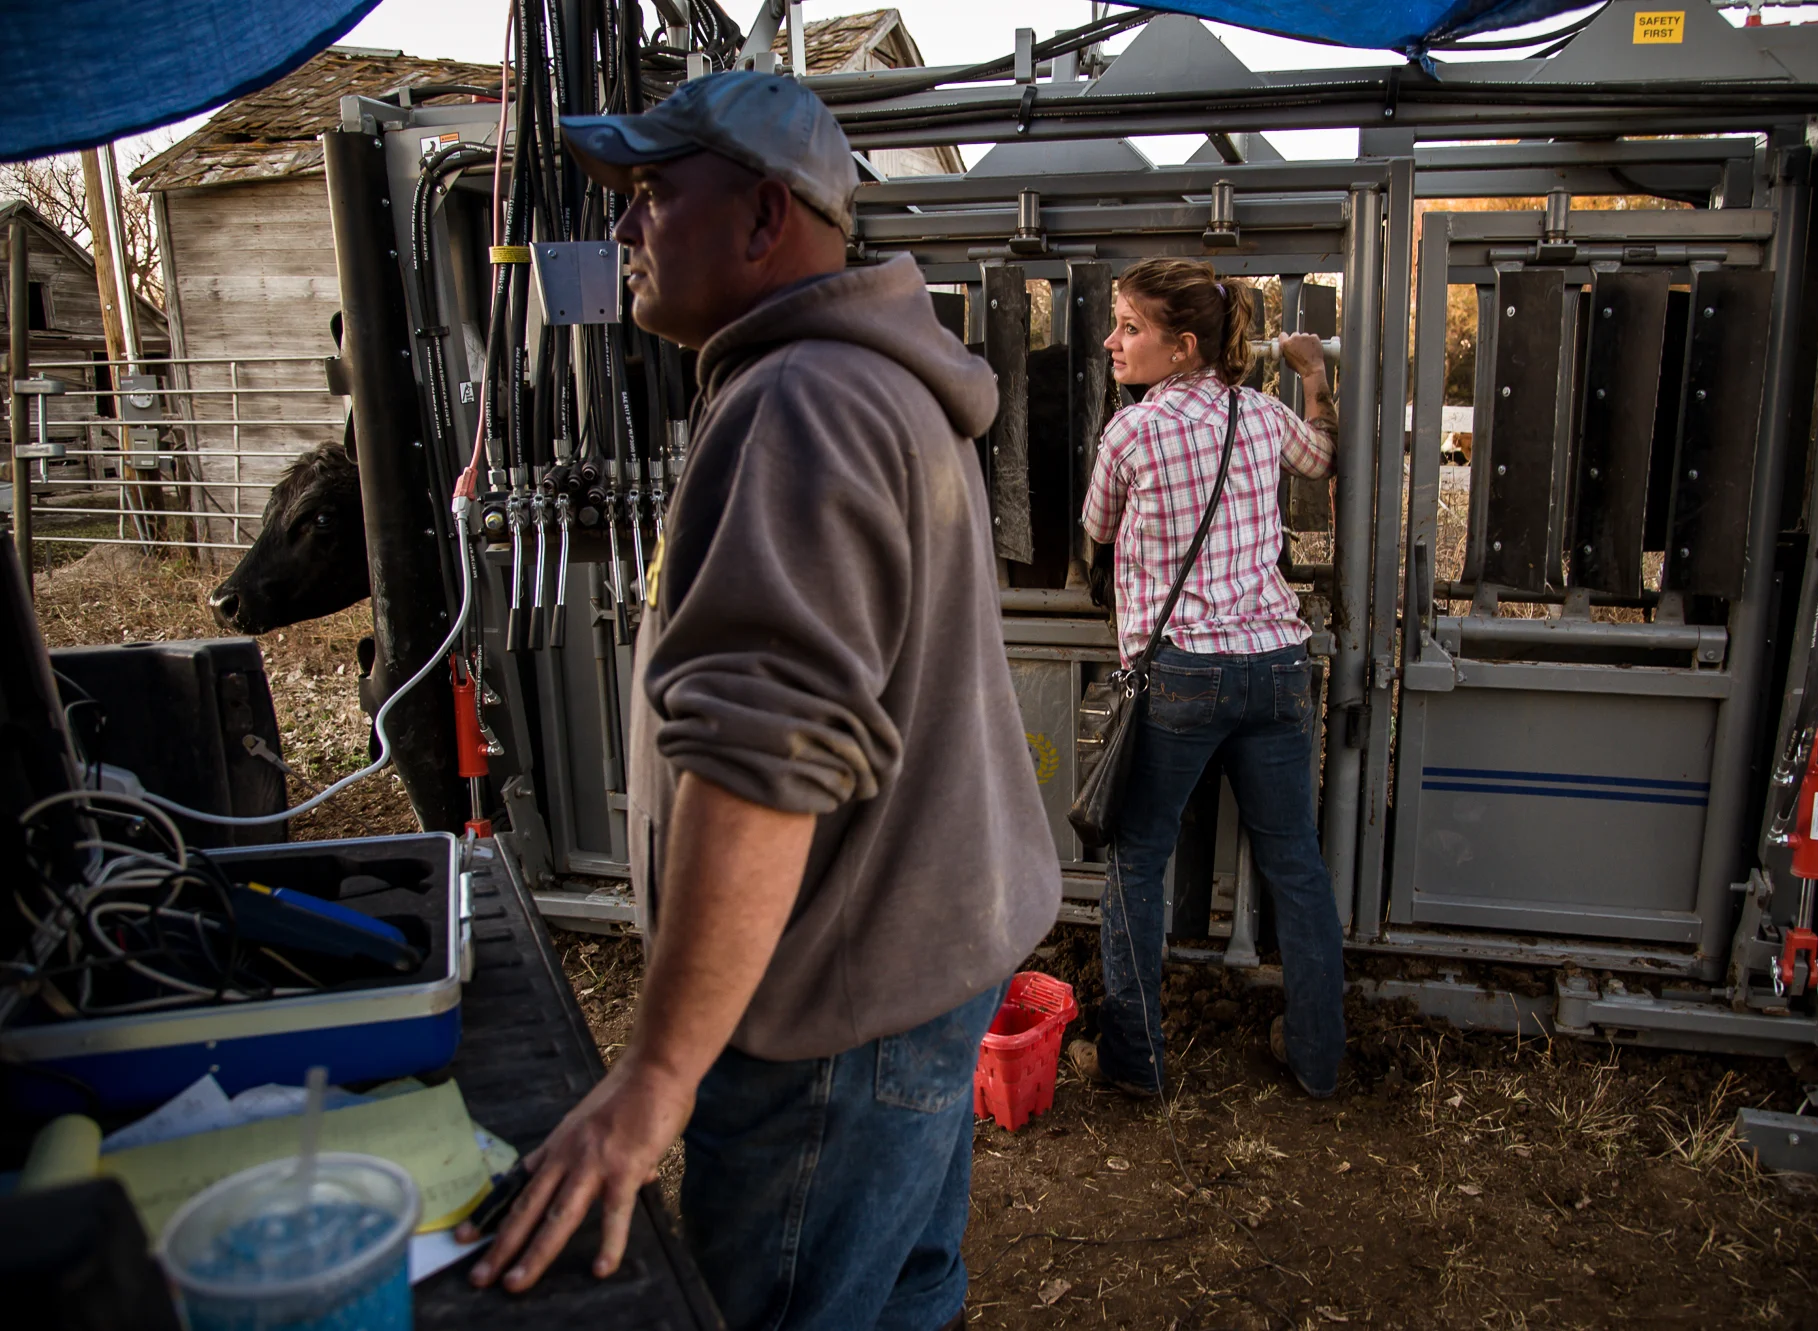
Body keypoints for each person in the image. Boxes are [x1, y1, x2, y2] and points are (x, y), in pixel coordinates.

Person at [462, 71, 1061, 1328]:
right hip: (923, 966)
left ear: (759, 216)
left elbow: (763, 765)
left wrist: (658, 1073)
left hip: (830, 1014)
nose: (625, 230)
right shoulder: (886, 385)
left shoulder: (801, 401)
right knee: (904, 1287)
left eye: (649, 195)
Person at [1071, 258, 1344, 1099]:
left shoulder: (1133, 433)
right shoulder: (1261, 413)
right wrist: (1317, 376)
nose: (1112, 341)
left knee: (1135, 861)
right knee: (1296, 863)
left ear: (1183, 347)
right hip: (1275, 667)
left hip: (1181, 675)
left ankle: (1136, 1063)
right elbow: (1324, 455)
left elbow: (1097, 528)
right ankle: (1318, 1058)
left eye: (1130, 327)